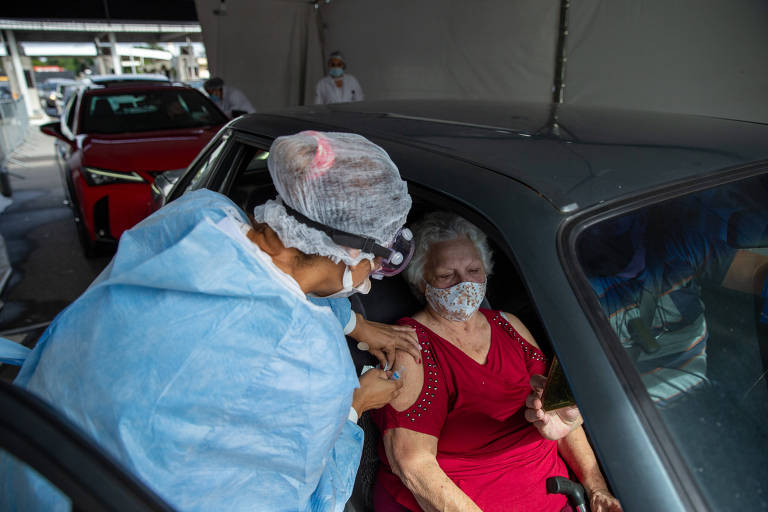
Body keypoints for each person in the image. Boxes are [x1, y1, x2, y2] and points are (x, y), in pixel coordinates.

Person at [1, 131, 417, 511]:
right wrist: (353, 406)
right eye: (377, 260)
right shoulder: (308, 362)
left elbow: (278, 278)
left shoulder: (198, 215)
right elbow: (301, 500)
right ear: (349, 251)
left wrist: (350, 322)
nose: (374, 272)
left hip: (30, 451)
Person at [371, 212, 622, 512]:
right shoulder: (411, 347)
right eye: (446, 275)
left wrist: (597, 488)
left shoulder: (510, 326)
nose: (463, 284)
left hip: (557, 497)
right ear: (422, 281)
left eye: (473, 270)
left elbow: (561, 418)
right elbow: (412, 463)